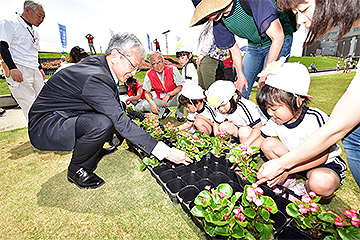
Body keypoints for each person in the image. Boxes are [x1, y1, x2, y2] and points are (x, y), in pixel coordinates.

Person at [28, 33, 192, 189]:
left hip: (68, 114)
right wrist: (166, 152)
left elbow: (114, 105)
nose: (134, 73)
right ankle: (77, 169)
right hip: (47, 124)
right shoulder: (96, 77)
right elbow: (120, 121)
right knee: (101, 123)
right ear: (115, 56)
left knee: (108, 117)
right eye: (132, 65)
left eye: (137, 68)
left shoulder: (101, 65)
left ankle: (93, 149)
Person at [256, 0, 360, 189]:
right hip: (299, 163)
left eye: (303, 9)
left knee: (350, 138)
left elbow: (330, 139)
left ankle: (303, 185)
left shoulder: (314, 118)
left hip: (320, 166)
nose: (302, 20)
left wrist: (283, 167)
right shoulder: (277, 120)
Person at [256, 62, 346, 199]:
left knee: (321, 183)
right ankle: (290, 178)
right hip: (295, 161)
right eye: (267, 108)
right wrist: (242, 152)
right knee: (267, 144)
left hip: (322, 164)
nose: (270, 113)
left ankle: (305, 187)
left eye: (274, 108)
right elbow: (260, 138)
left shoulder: (315, 118)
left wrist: (285, 169)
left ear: (298, 101)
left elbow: (321, 156)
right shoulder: (276, 120)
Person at [190, 0, 294, 99]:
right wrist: (240, 75)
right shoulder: (218, 21)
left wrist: (267, 71)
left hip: (279, 39)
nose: (208, 15)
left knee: (267, 88)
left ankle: (270, 115)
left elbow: (278, 36)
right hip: (254, 46)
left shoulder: (252, 1)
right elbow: (234, 51)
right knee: (241, 88)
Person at [0, 0, 46, 121]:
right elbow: (2, 46)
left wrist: (40, 68)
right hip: (19, 68)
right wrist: (12, 68)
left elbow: (35, 50)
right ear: (27, 10)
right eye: (39, 16)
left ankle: (48, 132)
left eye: (43, 17)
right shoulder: (10, 23)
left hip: (34, 69)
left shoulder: (34, 31)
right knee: (30, 106)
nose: (42, 20)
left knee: (44, 103)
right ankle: (38, 136)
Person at [205, 80, 266, 147]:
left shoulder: (245, 107)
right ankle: (226, 148)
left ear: (234, 97)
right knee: (223, 127)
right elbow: (216, 124)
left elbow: (257, 128)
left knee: (244, 132)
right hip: (240, 128)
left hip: (259, 132)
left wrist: (244, 145)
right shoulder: (223, 107)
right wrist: (218, 140)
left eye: (223, 105)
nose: (221, 109)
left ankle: (246, 150)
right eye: (218, 107)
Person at [142, 51, 185, 122]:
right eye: (154, 63)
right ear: (151, 65)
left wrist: (168, 95)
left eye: (159, 62)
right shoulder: (149, 74)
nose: (158, 65)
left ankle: (179, 114)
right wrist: (152, 103)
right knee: (145, 104)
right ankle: (163, 112)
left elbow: (180, 87)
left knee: (183, 95)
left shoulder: (172, 69)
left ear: (163, 61)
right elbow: (146, 92)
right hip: (161, 99)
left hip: (174, 97)